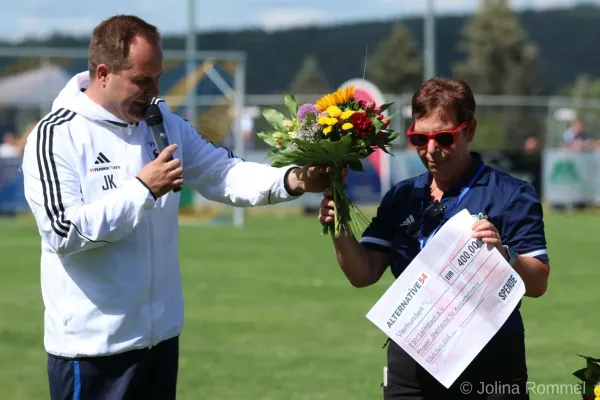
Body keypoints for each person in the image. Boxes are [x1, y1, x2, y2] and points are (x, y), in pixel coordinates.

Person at [21, 15, 332, 400]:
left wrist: (293, 180)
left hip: (160, 342)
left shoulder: (162, 121)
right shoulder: (57, 135)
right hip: (93, 352)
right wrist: (142, 190)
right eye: (142, 79)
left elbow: (223, 171)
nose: (154, 91)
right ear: (103, 73)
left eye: (158, 77)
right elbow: (62, 231)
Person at [319, 78, 550, 399]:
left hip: (490, 366)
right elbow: (363, 273)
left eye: (443, 137)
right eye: (419, 137)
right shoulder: (402, 195)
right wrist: (339, 228)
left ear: (469, 130)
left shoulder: (511, 194)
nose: (430, 150)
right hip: (411, 369)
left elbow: (538, 284)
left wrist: (504, 254)